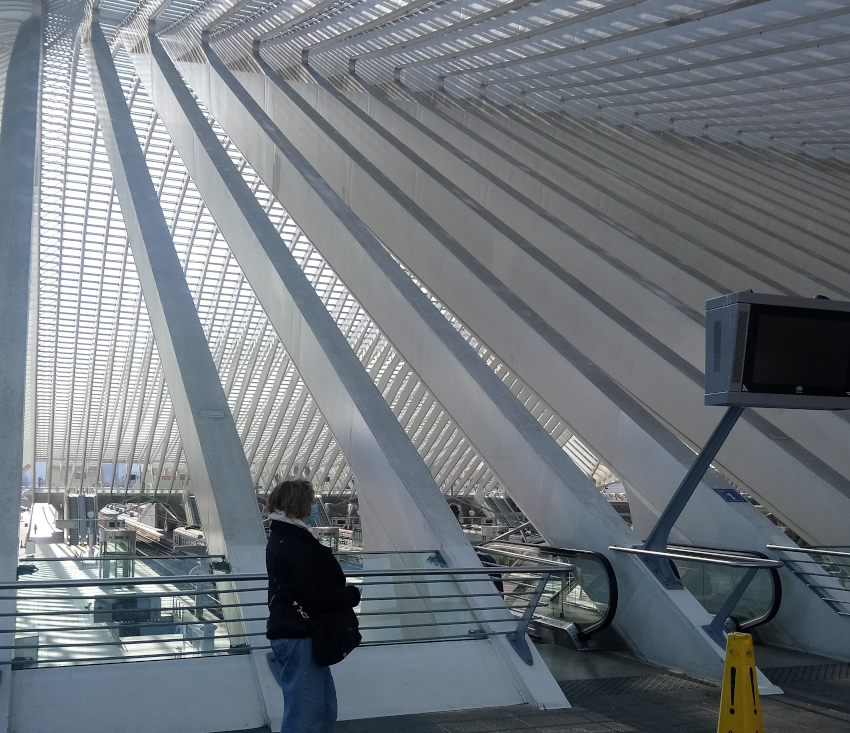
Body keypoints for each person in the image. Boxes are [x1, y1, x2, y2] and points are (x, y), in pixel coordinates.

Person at [266, 479, 361, 733]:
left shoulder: (283, 536)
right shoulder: (294, 542)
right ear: (298, 503)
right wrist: (351, 595)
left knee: (322, 708)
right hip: (300, 634)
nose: (312, 505)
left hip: (298, 631)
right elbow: (314, 594)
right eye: (309, 500)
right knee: (305, 715)